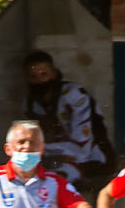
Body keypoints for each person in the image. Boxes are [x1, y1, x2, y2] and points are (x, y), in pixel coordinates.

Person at [23, 50, 105, 186]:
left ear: (54, 74)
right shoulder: (30, 104)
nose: (39, 81)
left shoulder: (74, 95)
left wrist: (42, 151)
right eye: (33, 76)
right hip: (50, 158)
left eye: (44, 74)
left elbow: (82, 147)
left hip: (90, 158)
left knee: (55, 180)